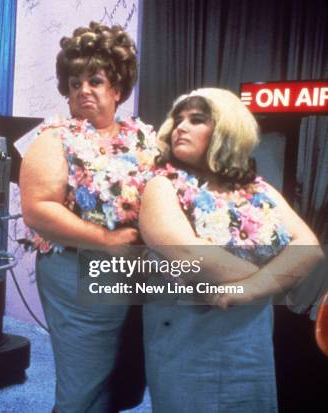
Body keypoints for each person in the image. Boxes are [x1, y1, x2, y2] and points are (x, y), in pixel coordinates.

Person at [138, 88, 324, 412]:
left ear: (226, 130)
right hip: (185, 335)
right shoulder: (161, 186)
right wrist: (272, 277)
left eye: (196, 120)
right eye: (178, 119)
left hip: (248, 340)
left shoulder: (259, 189)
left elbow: (309, 249)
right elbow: (187, 252)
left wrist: (248, 290)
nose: (180, 126)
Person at [19, 22, 157, 412]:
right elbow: (38, 210)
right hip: (77, 270)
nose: (83, 90)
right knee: (85, 383)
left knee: (125, 384)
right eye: (75, 82)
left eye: (95, 80)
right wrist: (108, 240)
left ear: (117, 88)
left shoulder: (143, 138)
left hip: (136, 275)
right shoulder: (53, 139)